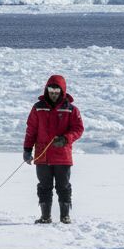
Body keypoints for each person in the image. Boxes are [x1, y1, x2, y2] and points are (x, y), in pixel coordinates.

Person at [23, 74, 85, 224]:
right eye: (51, 89)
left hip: (62, 156)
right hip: (42, 156)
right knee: (44, 187)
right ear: (46, 89)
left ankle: (65, 216)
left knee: (63, 187)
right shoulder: (38, 108)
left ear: (62, 91)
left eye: (57, 90)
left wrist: (65, 139)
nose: (53, 92)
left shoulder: (71, 110)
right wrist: (27, 150)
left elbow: (78, 129)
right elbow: (31, 130)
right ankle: (45, 216)